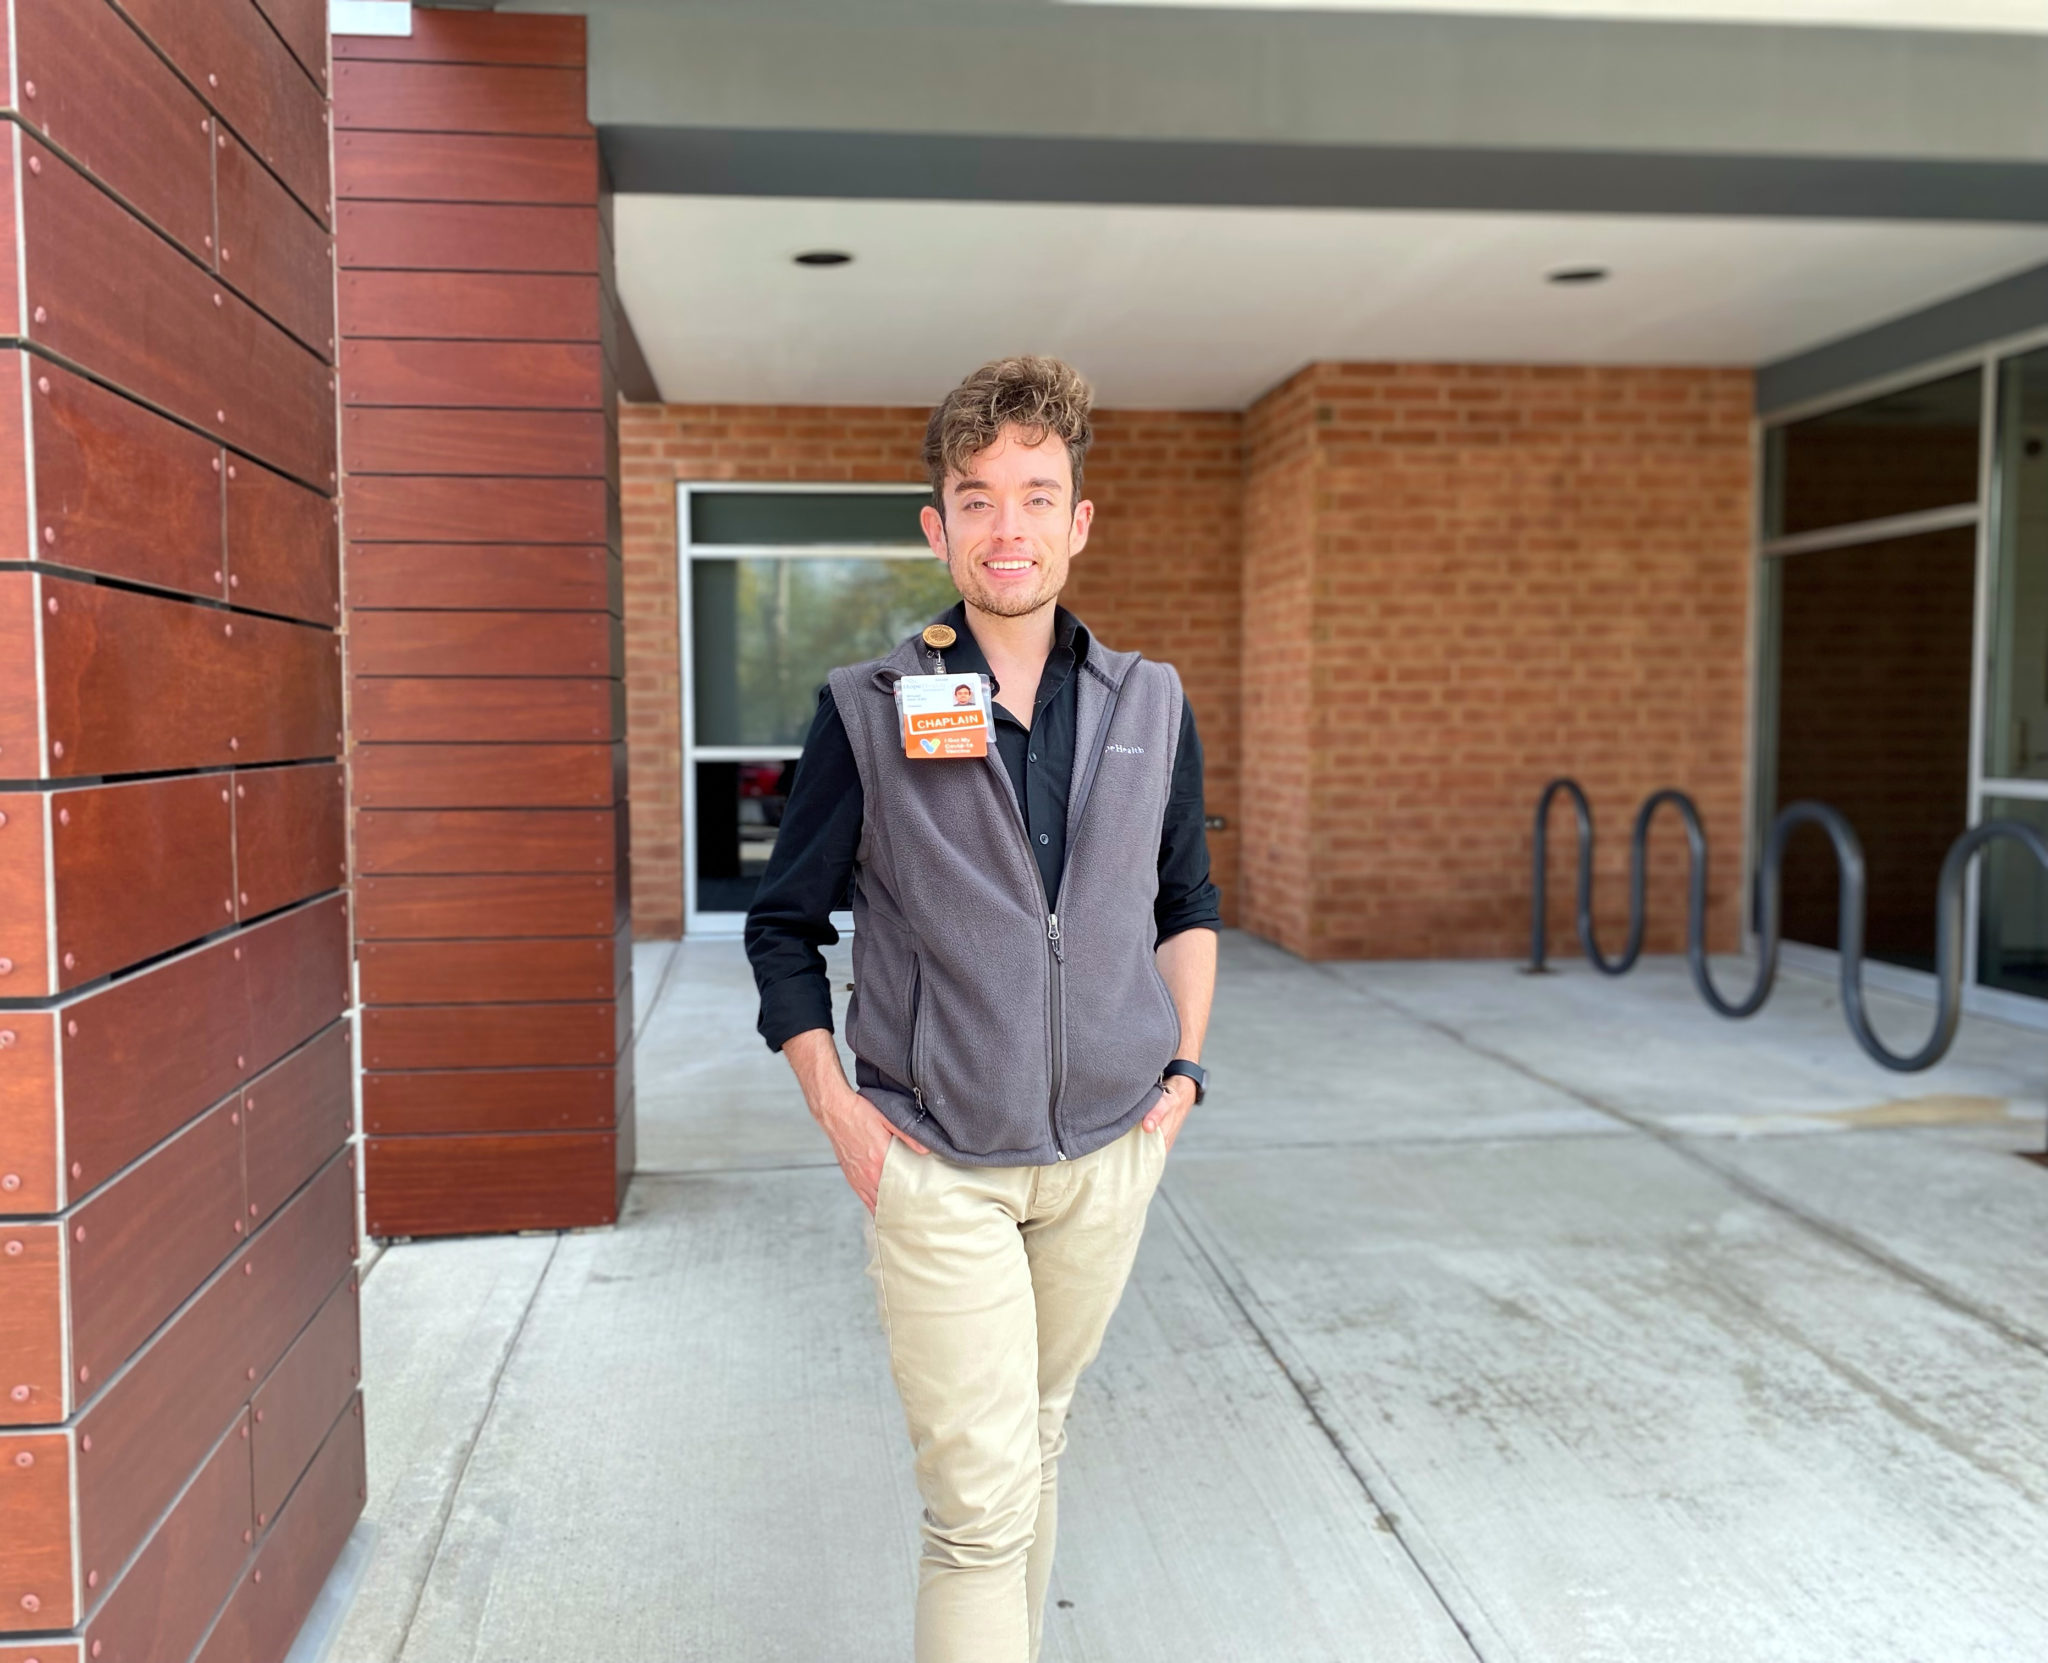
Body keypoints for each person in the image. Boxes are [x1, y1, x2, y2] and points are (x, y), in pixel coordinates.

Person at [745, 354, 1220, 1662]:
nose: (1006, 526)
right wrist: (841, 1113)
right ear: (936, 527)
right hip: (938, 1164)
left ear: (1077, 522)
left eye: (1035, 495)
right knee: (973, 1515)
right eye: (977, 498)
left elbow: (1187, 905)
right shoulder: (874, 709)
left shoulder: (1152, 705)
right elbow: (784, 927)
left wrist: (1176, 1091)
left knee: (1038, 1442)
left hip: (1108, 1158)